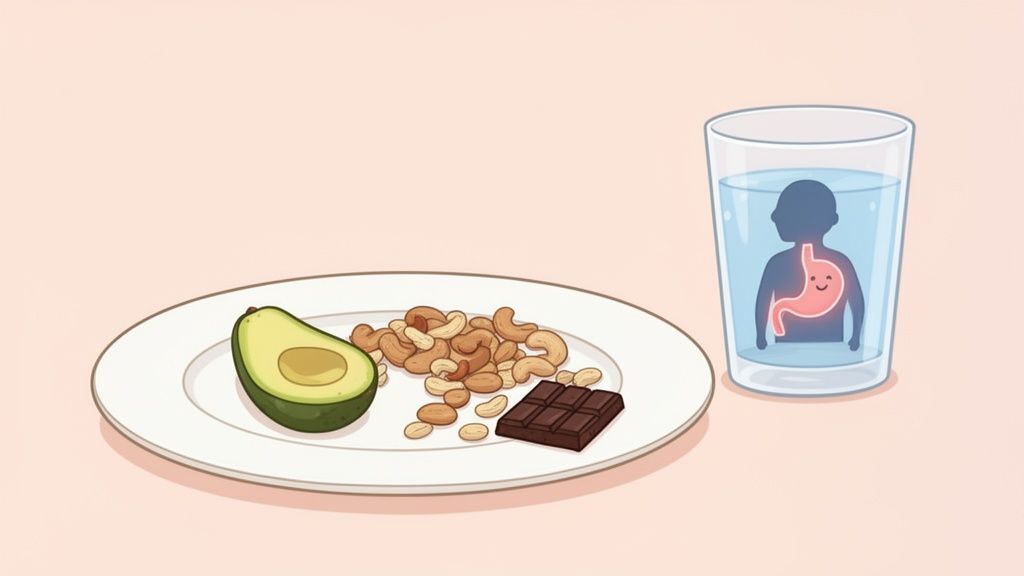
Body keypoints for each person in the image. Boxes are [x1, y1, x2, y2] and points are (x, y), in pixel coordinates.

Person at [755, 180, 864, 351]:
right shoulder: (777, 264)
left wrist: (761, 337)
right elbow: (763, 301)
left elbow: (856, 301)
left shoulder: (839, 263)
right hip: (790, 353)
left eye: (785, 210)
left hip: (825, 353)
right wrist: (760, 336)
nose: (774, 216)